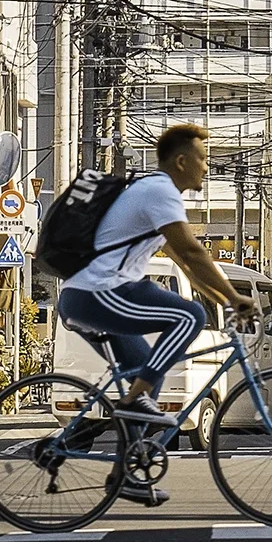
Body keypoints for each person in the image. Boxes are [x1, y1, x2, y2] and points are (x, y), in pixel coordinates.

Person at [57, 123, 255, 438]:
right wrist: (234, 299)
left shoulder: (152, 192)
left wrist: (225, 302)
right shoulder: (161, 192)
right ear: (181, 162)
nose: (207, 167)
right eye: (203, 159)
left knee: (149, 371)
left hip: (87, 295)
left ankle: (106, 461)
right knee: (191, 316)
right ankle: (135, 401)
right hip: (97, 292)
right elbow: (192, 253)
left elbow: (188, 268)